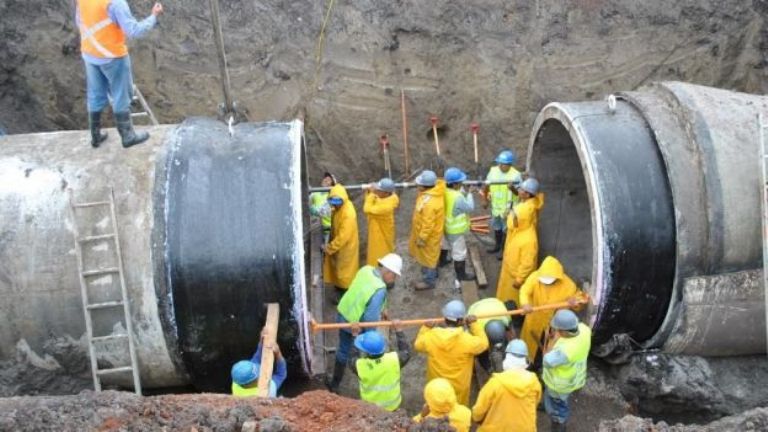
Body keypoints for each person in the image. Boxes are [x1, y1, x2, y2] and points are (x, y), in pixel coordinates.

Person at [75, 0, 163, 148]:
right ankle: (127, 136)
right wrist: (153, 16)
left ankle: (95, 136)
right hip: (113, 57)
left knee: (95, 95)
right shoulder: (116, 3)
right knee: (121, 94)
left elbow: (80, 22)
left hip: (90, 54)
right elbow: (134, 30)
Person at [326, 253, 403, 393]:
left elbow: (363, 292)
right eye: (395, 275)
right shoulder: (379, 289)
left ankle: (334, 385)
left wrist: (383, 306)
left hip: (343, 314)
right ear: (388, 271)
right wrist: (372, 338)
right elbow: (370, 318)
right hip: (355, 324)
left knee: (343, 349)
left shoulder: (366, 269)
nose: (394, 279)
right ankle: (370, 374)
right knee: (365, 349)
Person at [414, 300, 488, 405]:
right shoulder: (467, 341)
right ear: (461, 321)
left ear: (445, 318)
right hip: (458, 386)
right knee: (457, 411)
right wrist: (474, 325)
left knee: (436, 408)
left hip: (437, 384)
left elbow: (418, 345)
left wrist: (426, 327)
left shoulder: (431, 336)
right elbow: (484, 343)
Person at [519, 256, 584, 364]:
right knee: (529, 344)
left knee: (547, 348)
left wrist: (575, 302)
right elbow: (525, 291)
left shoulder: (569, 285)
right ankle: (527, 361)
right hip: (534, 318)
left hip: (553, 325)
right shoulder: (535, 277)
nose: (546, 284)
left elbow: (579, 301)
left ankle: (541, 363)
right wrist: (525, 304)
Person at [472, 339, 541, 432]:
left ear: (507, 358)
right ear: (525, 359)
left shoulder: (495, 383)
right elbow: (535, 402)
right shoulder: (534, 381)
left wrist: (477, 418)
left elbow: (478, 412)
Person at [496, 177, 544, 305]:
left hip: (515, 276)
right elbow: (520, 207)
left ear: (528, 194)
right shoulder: (525, 215)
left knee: (513, 301)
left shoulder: (528, 240)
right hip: (510, 268)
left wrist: (519, 280)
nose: (511, 218)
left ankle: (514, 316)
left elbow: (527, 263)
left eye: (513, 217)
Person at [542, 310, 592, 432]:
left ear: (564, 332)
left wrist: (552, 341)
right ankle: (547, 405)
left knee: (558, 404)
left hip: (559, 385)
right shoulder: (585, 329)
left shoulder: (564, 351)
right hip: (575, 376)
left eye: (558, 330)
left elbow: (546, 360)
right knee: (552, 398)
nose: (556, 331)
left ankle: (559, 423)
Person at [347, 324, 410, 411]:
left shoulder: (360, 365)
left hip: (370, 409)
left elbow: (351, 357)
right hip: (393, 406)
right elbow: (406, 352)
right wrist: (399, 330)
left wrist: (354, 335)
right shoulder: (394, 359)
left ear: (365, 351)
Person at [409, 170, 446, 290]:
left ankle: (429, 281)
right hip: (431, 234)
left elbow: (428, 224)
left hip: (429, 236)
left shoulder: (430, 203)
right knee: (430, 256)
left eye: (419, 184)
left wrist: (422, 238)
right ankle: (432, 272)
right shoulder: (434, 193)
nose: (417, 186)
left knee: (429, 257)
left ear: (425, 186)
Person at [323, 184, 360, 304]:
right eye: (333, 202)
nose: (334, 205)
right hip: (339, 246)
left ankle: (345, 294)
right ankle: (340, 287)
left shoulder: (348, 214)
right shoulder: (340, 208)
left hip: (346, 248)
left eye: (336, 202)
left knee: (345, 272)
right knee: (339, 269)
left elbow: (343, 237)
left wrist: (329, 248)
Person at [482, 150, 521, 259]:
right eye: (498, 163)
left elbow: (520, 193)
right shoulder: (493, 171)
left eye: (502, 164)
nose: (499, 165)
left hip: (508, 209)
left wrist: (512, 188)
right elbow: (487, 186)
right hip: (496, 208)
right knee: (497, 227)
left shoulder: (515, 175)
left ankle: (505, 252)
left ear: (509, 164)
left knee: (506, 230)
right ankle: (497, 246)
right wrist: (485, 199)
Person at [442, 167, 476, 283]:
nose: (462, 183)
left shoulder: (444, 191)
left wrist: (461, 191)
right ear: (456, 184)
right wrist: (470, 194)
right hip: (456, 231)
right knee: (459, 254)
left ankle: (442, 261)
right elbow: (470, 208)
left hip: (446, 226)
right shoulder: (458, 197)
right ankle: (461, 276)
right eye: (460, 182)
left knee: (445, 245)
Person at [467, 297, 515, 372]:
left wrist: (511, 344)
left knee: (504, 342)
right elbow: (475, 344)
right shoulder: (476, 325)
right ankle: (488, 368)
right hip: (475, 309)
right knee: (481, 347)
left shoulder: (505, 319)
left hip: (496, 303)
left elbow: (511, 331)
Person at [363, 178, 400, 266]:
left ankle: (381, 269)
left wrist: (372, 193)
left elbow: (367, 209)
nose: (377, 192)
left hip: (381, 233)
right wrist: (372, 192)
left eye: (379, 191)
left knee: (380, 253)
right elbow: (374, 201)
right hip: (378, 230)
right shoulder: (388, 197)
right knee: (378, 251)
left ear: (386, 193)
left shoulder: (386, 206)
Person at [309, 172, 336, 245]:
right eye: (325, 178)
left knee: (326, 251)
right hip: (316, 229)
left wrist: (313, 209)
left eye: (329, 180)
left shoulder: (332, 197)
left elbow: (325, 211)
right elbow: (307, 202)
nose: (325, 180)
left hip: (328, 231)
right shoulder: (315, 193)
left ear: (332, 185)